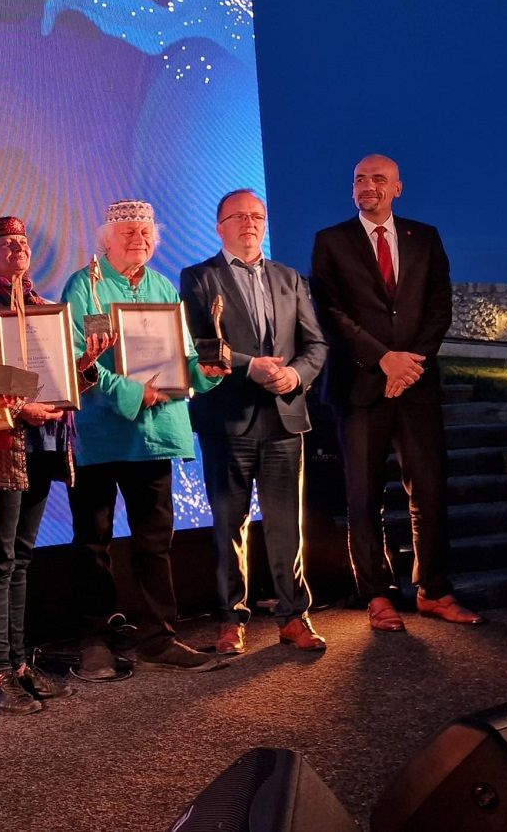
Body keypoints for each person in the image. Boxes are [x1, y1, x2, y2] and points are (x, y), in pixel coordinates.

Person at [309, 154, 481, 631]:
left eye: (378, 179)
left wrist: (410, 363)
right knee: (364, 497)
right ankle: (378, 596)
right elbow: (331, 312)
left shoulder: (424, 237)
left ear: (398, 188)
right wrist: (383, 359)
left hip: (416, 385)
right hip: (359, 386)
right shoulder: (330, 241)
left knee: (429, 490)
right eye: (359, 179)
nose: (368, 186)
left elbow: (439, 306)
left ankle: (433, 591)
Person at [60, 199, 230, 680]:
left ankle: (159, 637)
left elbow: (181, 357)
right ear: (106, 239)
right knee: (93, 542)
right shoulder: (83, 285)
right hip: (100, 435)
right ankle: (94, 640)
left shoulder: (161, 286)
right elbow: (77, 361)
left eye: (146, 232)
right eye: (128, 231)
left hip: (153, 436)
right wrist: (134, 393)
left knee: (155, 542)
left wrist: (205, 373)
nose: (139, 238)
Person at [0, 216, 113, 713]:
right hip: (2, 442)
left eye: (23, 242)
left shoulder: (40, 303)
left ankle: (18, 664)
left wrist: (85, 363)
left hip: (43, 441)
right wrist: (19, 406)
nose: (18, 248)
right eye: (5, 243)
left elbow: (54, 377)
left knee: (22, 556)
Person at [180, 189, 329, 655]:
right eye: (238, 216)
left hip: (285, 418)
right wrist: (251, 367)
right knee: (229, 524)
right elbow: (200, 343)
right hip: (228, 419)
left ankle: (294, 616)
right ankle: (231, 620)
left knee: (287, 525)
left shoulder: (290, 278)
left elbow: (316, 345)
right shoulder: (198, 277)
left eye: (257, 216)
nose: (249, 223)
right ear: (219, 226)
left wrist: (295, 375)